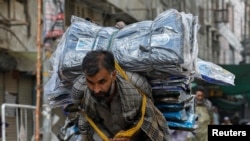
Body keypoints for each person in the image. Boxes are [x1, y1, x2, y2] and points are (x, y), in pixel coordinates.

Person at [70, 50, 171, 141]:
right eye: (91, 82)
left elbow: (147, 117)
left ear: (113, 75)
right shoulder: (83, 94)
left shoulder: (135, 87)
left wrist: (129, 137)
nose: (96, 90)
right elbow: (88, 124)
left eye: (102, 82)